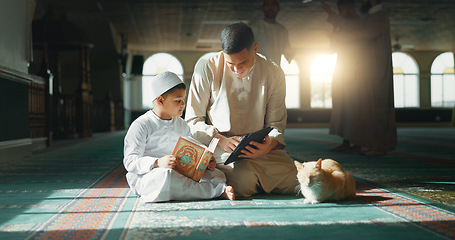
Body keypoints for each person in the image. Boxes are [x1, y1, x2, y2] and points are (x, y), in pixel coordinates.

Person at [185, 22, 299, 197]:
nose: (237, 69)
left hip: (260, 148)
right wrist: (220, 139)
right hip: (221, 146)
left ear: (255, 48)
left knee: (299, 181)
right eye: (231, 64)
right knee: (244, 183)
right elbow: (192, 121)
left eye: (243, 62)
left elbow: (276, 125)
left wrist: (269, 145)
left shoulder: (274, 72)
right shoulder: (207, 66)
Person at [123, 71, 235, 203]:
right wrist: (157, 163)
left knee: (216, 173)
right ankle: (216, 191)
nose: (183, 104)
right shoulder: (141, 125)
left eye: (183, 100)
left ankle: (210, 190)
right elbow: (130, 161)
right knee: (167, 177)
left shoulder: (181, 124)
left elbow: (191, 150)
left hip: (179, 172)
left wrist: (204, 162)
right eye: (178, 101)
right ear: (160, 100)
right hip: (150, 175)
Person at [323, 0, 397, 156]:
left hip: (375, 73)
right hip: (369, 72)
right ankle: (370, 144)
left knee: (376, 109)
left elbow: (364, 32)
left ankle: (377, 146)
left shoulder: (379, 16)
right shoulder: (373, 17)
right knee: (368, 109)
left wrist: (339, 30)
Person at [325, 0, 362, 153]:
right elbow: (333, 48)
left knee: (353, 108)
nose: (340, 12)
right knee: (343, 108)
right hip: (342, 68)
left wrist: (331, 15)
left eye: (342, 9)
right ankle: (346, 142)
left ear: (350, 8)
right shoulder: (342, 26)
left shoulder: (359, 24)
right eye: (338, 10)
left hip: (356, 71)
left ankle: (357, 142)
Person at [250, 0, 293, 66]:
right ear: (263, 8)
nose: (270, 8)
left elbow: (288, 53)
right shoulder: (254, 28)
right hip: (257, 71)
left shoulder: (282, 31)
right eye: (267, 5)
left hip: (275, 71)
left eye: (273, 5)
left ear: (278, 8)